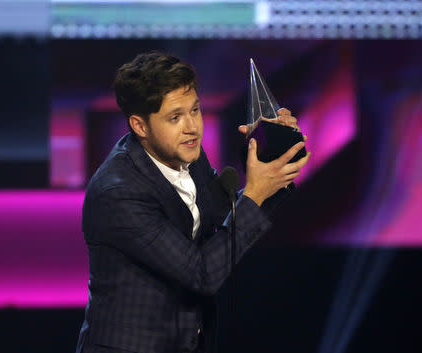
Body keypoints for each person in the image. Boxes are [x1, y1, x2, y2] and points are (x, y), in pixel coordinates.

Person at [75, 52, 310, 353]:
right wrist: (256, 192)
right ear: (140, 126)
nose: (192, 127)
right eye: (175, 117)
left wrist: (269, 157)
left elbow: (228, 217)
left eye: (195, 110)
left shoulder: (189, 154)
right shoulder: (118, 192)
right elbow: (201, 273)